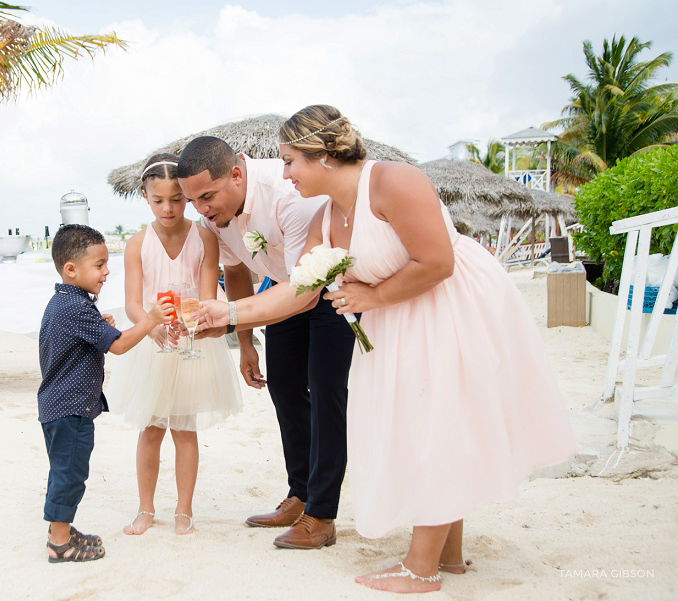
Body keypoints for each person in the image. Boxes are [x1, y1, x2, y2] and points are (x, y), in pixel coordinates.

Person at [194, 105, 577, 593]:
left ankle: (421, 569)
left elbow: (436, 261)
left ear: (324, 154)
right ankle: (450, 555)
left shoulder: (395, 181)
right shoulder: (328, 216)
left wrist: (372, 296)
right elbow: (301, 289)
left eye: (290, 161)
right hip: (400, 316)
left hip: (448, 305)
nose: (285, 173)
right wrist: (225, 315)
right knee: (433, 423)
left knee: (432, 426)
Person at [176, 137, 356, 550]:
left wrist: (232, 315)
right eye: (193, 202)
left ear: (237, 174)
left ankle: (322, 515)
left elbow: (306, 289)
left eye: (207, 196)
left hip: (326, 286)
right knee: (285, 388)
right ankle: (301, 494)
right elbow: (236, 272)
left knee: (326, 390)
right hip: (280, 286)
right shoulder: (214, 216)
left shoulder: (287, 196)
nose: (201, 210)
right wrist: (246, 342)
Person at [108, 153, 242, 536]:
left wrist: (191, 324)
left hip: (191, 346)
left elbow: (204, 295)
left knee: (185, 429)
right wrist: (150, 327)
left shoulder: (204, 238)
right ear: (145, 198)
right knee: (150, 430)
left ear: (187, 195)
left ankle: (184, 510)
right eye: (158, 200)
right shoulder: (137, 244)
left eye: (177, 199)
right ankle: (145, 508)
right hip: (151, 344)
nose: (168, 208)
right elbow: (134, 301)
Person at [38, 224, 171, 563]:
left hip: (61, 405)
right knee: (69, 474)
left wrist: (101, 323)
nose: (107, 271)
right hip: (69, 408)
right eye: (99, 265)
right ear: (71, 269)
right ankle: (59, 543)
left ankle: (62, 531)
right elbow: (120, 345)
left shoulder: (68, 302)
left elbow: (88, 336)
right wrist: (151, 318)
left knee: (67, 470)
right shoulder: (76, 307)